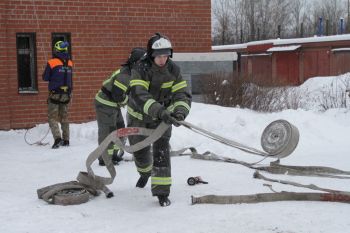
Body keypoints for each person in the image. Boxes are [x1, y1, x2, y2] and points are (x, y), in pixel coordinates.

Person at [127, 33, 192, 206]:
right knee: (139, 152)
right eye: (159, 56)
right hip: (139, 118)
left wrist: (179, 112)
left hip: (163, 119)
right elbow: (139, 95)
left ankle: (162, 193)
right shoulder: (140, 69)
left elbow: (182, 93)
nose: (163, 60)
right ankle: (144, 173)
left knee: (161, 153)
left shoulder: (173, 70)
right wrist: (159, 111)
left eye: (166, 55)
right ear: (151, 55)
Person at [95, 47, 146, 166]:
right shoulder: (125, 76)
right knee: (108, 131)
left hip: (113, 105)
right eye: (143, 63)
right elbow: (118, 95)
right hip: (105, 104)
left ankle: (113, 154)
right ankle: (104, 158)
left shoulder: (132, 73)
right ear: (136, 62)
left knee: (120, 128)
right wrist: (130, 101)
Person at [42, 41, 73, 149]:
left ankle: (57, 139)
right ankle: (66, 140)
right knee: (64, 117)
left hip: (55, 94)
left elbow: (45, 77)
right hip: (66, 94)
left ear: (56, 50)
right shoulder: (70, 63)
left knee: (52, 118)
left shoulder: (51, 62)